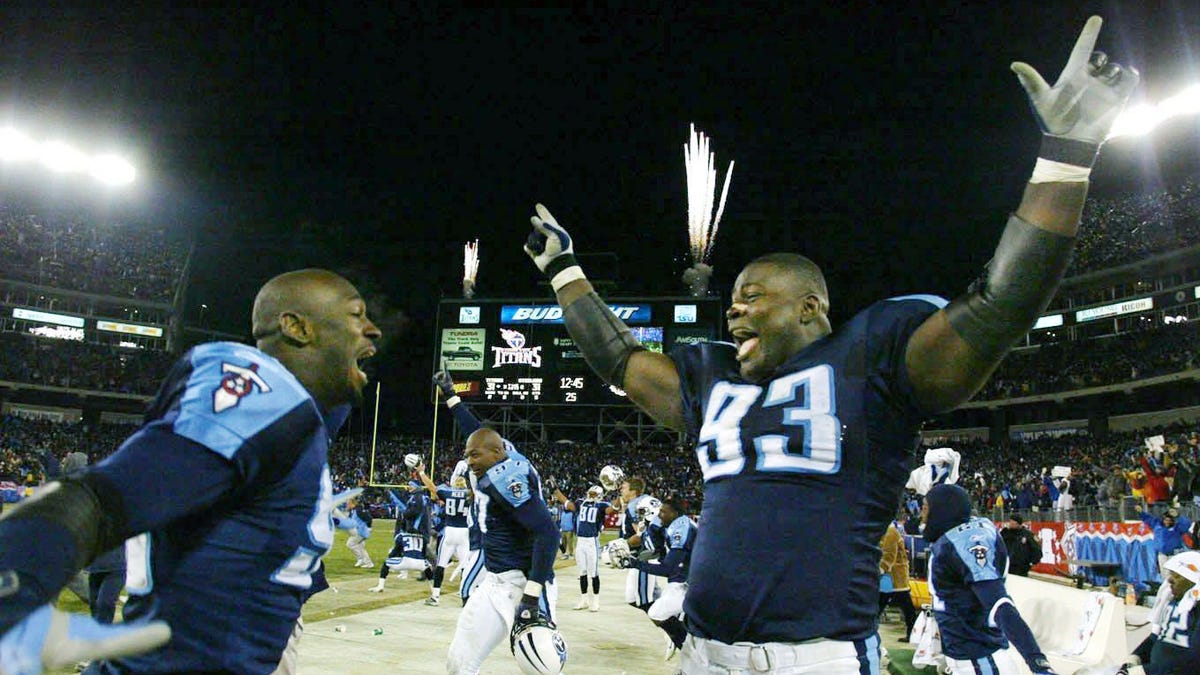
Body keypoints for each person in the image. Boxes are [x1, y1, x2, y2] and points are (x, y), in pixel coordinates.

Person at [520, 16, 1136, 672]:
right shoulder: (713, 377)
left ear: (811, 306)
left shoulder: (870, 357)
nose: (734, 308)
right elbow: (620, 360)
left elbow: (997, 307)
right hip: (702, 651)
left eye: (754, 295)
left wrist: (1066, 154)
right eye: (734, 298)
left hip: (817, 656)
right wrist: (565, 274)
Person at [0, 268, 381, 674]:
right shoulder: (264, 393)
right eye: (356, 315)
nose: (372, 331)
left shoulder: (298, 420)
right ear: (295, 326)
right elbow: (100, 500)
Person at [445, 427, 560, 675]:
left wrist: (531, 594)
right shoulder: (504, 460)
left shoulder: (506, 478)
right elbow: (479, 430)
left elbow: (548, 533)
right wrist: (453, 399)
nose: (469, 462)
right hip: (494, 581)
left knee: (543, 668)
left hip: (522, 585)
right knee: (459, 663)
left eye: (475, 455)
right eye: (467, 456)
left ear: (499, 452)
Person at [924, 484, 1057, 674]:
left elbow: (999, 604)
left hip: (981, 661)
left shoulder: (967, 542)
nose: (922, 514)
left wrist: (1036, 661)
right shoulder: (955, 536)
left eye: (926, 508)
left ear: (941, 510)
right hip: (970, 656)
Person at [1077, 551, 1200, 675]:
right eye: (1171, 575)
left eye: (1178, 576)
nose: (1169, 580)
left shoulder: (1196, 608)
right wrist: (1135, 657)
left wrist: (1144, 671)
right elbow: (1155, 637)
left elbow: (1195, 661)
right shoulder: (1172, 600)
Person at [618, 496, 697, 661]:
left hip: (691, 582)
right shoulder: (673, 525)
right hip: (686, 579)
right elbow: (659, 554)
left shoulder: (679, 529)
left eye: (663, 512)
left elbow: (667, 569)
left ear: (674, 513)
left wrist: (635, 563)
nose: (659, 515)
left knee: (657, 612)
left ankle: (693, 658)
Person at [551, 483, 614, 611]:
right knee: (582, 572)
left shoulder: (602, 505)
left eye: (593, 494)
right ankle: (584, 600)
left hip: (592, 541)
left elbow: (612, 509)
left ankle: (595, 601)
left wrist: (619, 498)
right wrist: (556, 491)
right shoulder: (581, 503)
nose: (590, 496)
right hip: (580, 540)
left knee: (594, 573)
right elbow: (568, 504)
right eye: (590, 493)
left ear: (599, 496)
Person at [415, 465, 472, 606]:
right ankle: (465, 597)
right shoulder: (469, 494)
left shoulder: (448, 493)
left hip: (450, 531)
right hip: (465, 532)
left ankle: (435, 596)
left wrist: (422, 473)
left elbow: (431, 487)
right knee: (465, 566)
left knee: (441, 565)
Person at [370, 485, 432, 592]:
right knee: (427, 566)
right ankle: (435, 591)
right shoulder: (421, 537)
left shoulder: (401, 536)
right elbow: (423, 553)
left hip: (405, 562)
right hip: (420, 564)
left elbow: (395, 552)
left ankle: (380, 586)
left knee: (387, 563)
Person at [878, 518, 918, 641]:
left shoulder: (890, 532)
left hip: (894, 576)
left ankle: (913, 634)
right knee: (905, 607)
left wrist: (880, 570)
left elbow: (889, 555)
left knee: (905, 607)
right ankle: (913, 634)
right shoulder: (887, 530)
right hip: (891, 577)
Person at [1142, 507, 1192, 579]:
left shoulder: (1177, 528)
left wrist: (1178, 516)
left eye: (1170, 520)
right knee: (1164, 576)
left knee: (1175, 575)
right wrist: (1141, 512)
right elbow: (1148, 519)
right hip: (1162, 555)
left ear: (1173, 521)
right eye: (1166, 520)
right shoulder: (1157, 526)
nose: (1167, 522)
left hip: (1174, 554)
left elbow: (1187, 524)